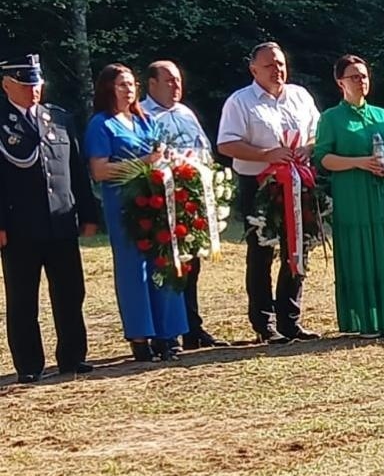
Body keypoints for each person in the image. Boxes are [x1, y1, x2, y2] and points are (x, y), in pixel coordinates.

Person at [0, 54, 99, 383]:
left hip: (60, 221)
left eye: (37, 83)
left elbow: (75, 172)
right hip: (18, 228)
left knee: (71, 292)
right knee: (23, 297)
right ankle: (29, 365)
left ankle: (73, 357)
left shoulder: (58, 119)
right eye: (26, 84)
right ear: (6, 85)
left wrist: (88, 212)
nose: (34, 90)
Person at [216, 41, 321, 343]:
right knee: (262, 251)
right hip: (259, 183)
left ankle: (291, 318)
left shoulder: (300, 96)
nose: (278, 70)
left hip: (300, 180)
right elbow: (226, 143)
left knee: (298, 246)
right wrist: (266, 154)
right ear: (253, 69)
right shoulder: (241, 101)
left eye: (281, 63)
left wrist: (308, 147)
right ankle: (265, 322)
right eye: (270, 65)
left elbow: (319, 132)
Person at [83, 64, 187, 362]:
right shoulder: (102, 125)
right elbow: (99, 170)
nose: (129, 90)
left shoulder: (146, 120)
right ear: (107, 89)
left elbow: (161, 156)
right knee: (134, 271)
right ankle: (141, 338)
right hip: (125, 206)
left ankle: (168, 335)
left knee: (163, 265)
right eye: (121, 85)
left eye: (131, 84)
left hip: (156, 202)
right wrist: (143, 162)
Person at [312, 55, 384, 338]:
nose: (361, 81)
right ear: (340, 83)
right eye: (354, 77)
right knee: (358, 251)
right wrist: (358, 162)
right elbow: (323, 158)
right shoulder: (331, 118)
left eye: (364, 76)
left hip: (382, 194)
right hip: (352, 194)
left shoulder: (382, 115)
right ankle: (365, 321)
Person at [142, 60, 225, 348]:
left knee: (192, 266)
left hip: (190, 203)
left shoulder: (186, 113)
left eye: (178, 80)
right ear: (151, 84)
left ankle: (192, 328)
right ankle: (166, 332)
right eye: (169, 81)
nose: (176, 86)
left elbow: (205, 151)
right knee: (167, 266)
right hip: (162, 203)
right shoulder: (143, 116)